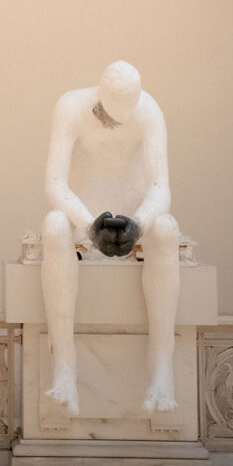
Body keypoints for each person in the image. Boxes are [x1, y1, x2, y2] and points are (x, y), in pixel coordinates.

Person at [41, 60, 180, 416]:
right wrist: (90, 225)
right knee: (54, 224)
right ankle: (65, 369)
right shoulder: (71, 106)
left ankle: (162, 371)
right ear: (101, 95)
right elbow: (55, 184)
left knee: (166, 227)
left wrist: (139, 223)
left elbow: (160, 188)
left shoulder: (148, 111)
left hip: (132, 217)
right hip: (83, 216)